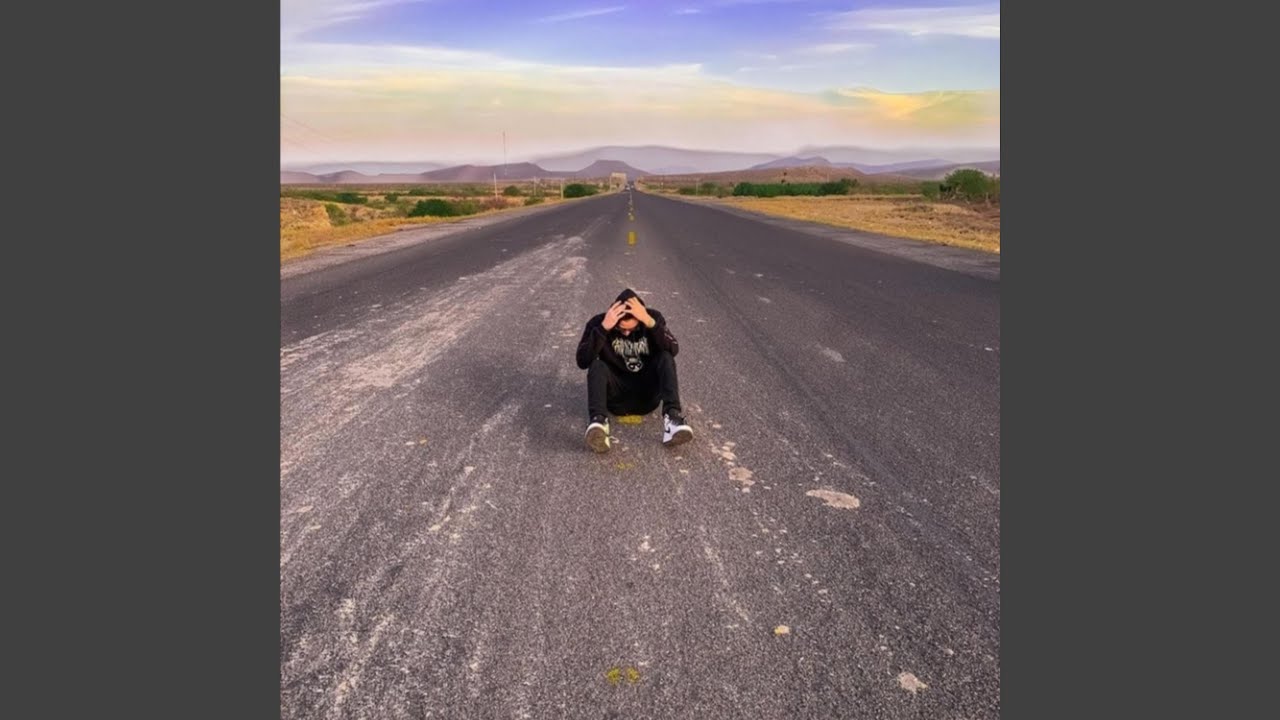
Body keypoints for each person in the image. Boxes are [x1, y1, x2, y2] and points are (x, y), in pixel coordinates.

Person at [575, 288, 693, 452]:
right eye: (620, 328)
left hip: (647, 396)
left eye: (631, 329)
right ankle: (599, 423)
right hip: (615, 399)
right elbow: (582, 361)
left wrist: (649, 322)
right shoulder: (598, 323)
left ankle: (673, 420)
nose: (626, 333)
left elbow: (673, 349)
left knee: (665, 356)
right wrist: (603, 328)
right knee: (597, 365)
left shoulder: (652, 318)